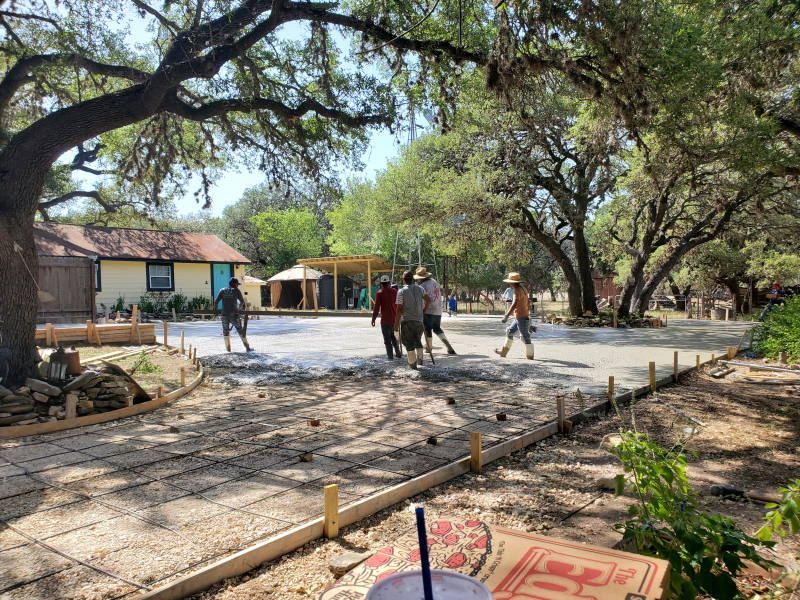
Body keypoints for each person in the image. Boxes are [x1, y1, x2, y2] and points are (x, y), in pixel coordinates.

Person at [413, 266, 457, 355]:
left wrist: (422, 310)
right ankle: (449, 347)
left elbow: (424, 300)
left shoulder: (422, 286)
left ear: (421, 278)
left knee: (427, 329)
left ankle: (429, 347)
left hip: (428, 310)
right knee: (437, 328)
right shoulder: (434, 281)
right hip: (438, 310)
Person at [495, 272, 534, 360]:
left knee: (525, 336)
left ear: (512, 283)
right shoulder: (523, 288)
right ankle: (503, 352)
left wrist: (506, 316)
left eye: (510, 282)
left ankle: (530, 355)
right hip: (520, 316)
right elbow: (527, 301)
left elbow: (514, 304)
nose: (509, 283)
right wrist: (527, 311)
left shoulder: (517, 290)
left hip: (521, 316)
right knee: (510, 331)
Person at [395, 270, 429, 369]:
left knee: (408, 343)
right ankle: (420, 361)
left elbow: (399, 309)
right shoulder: (421, 289)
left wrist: (396, 326)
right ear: (413, 279)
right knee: (417, 340)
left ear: (403, 280)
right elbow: (428, 300)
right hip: (419, 321)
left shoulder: (401, 291)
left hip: (407, 321)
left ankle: (413, 366)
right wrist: (423, 311)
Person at [214, 277, 252, 352]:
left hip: (224, 315)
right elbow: (242, 302)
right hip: (234, 314)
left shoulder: (222, 290)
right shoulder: (236, 290)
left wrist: (215, 312)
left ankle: (228, 350)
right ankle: (247, 347)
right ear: (234, 284)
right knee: (240, 330)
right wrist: (238, 309)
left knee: (225, 331)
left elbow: (216, 302)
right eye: (237, 284)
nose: (237, 286)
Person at [372, 275, 402, 360]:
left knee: (387, 340)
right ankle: (398, 353)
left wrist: (373, 319)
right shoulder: (394, 291)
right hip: (394, 319)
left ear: (381, 284)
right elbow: (399, 304)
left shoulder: (379, 293)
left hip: (385, 321)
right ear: (389, 283)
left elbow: (376, 307)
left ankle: (390, 357)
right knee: (394, 337)